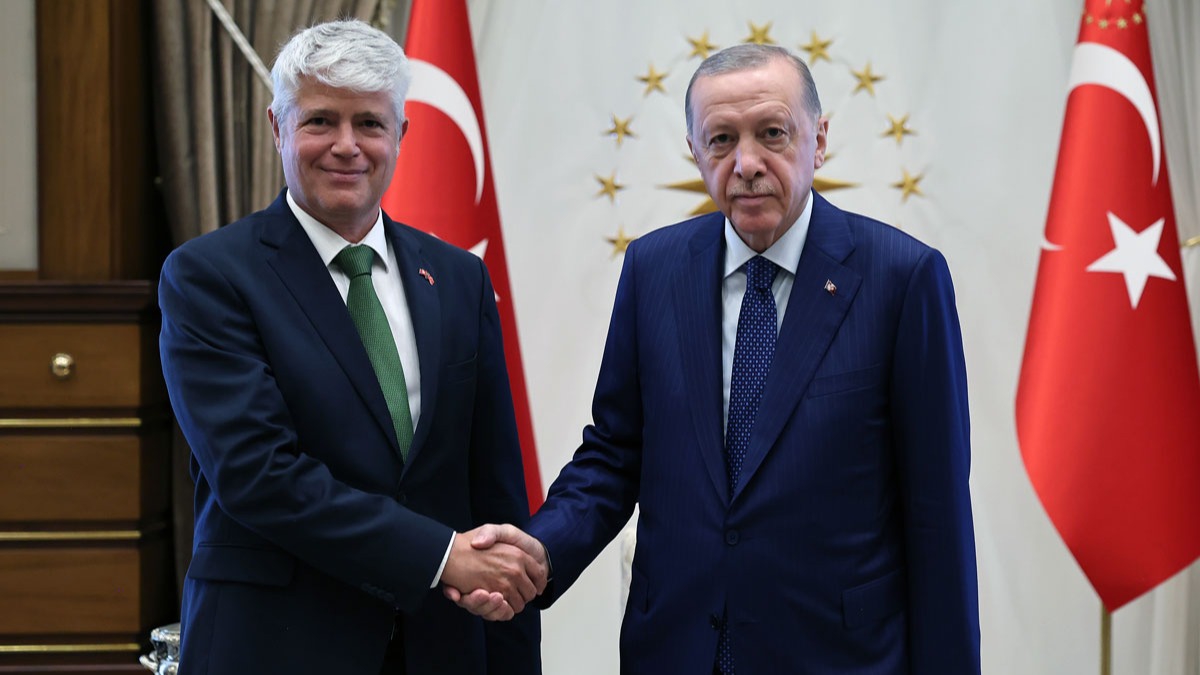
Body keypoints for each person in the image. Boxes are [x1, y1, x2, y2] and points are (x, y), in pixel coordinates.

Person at [452, 43, 981, 673]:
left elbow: (936, 513)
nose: (746, 164)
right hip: (676, 649)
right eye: (722, 139)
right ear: (695, 151)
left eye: (772, 133)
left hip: (838, 655)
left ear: (819, 140)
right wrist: (540, 551)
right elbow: (616, 454)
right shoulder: (653, 269)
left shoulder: (902, 278)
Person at [158, 19, 543, 675]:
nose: (346, 146)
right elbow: (258, 474)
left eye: (369, 123)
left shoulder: (458, 278)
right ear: (278, 127)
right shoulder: (208, 277)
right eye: (320, 121)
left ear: (401, 134)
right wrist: (440, 556)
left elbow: (493, 488)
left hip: (440, 648)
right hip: (276, 647)